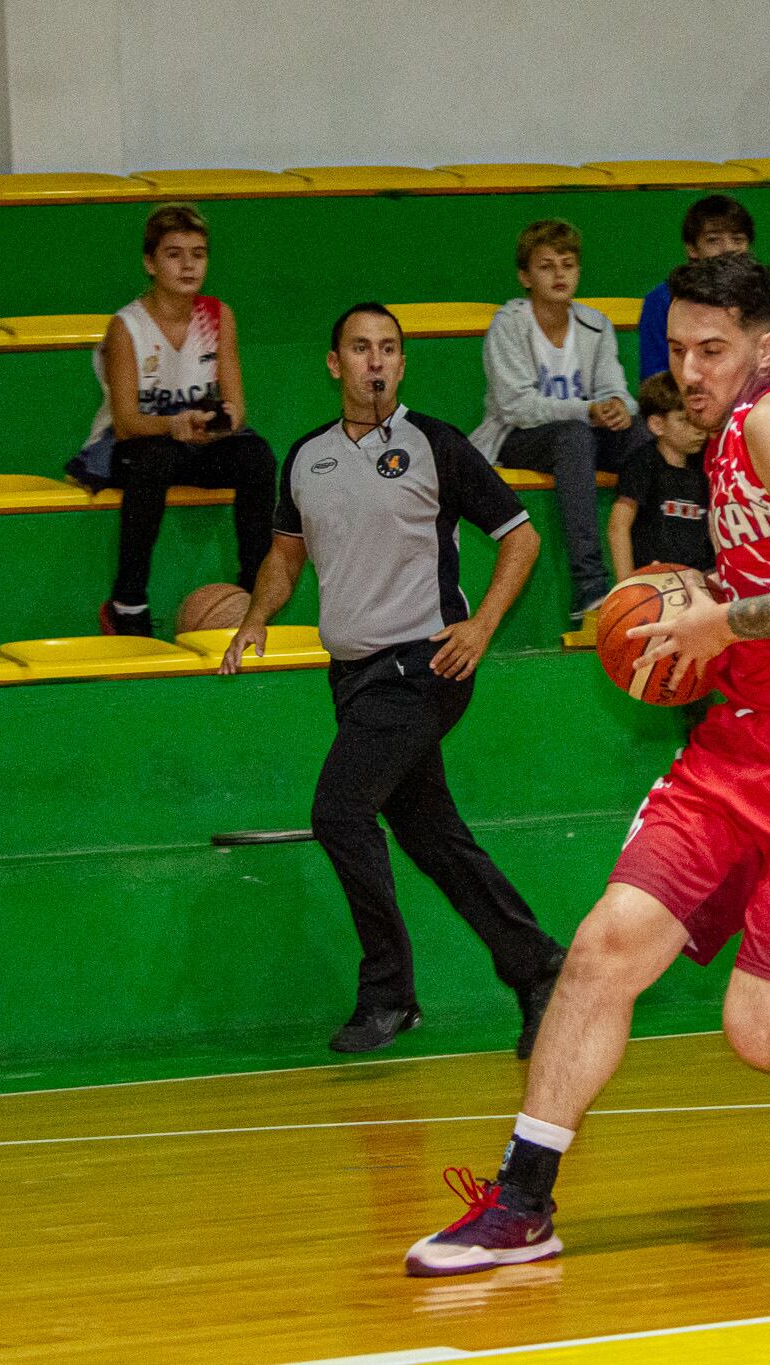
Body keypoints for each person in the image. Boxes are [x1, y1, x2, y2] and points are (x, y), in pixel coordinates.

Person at [404, 254, 770, 1277]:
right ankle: (522, 1201)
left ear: (763, 347)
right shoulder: (729, 434)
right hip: (745, 732)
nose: (691, 372)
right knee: (607, 945)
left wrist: (719, 616)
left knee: (764, 1035)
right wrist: (712, 600)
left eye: (713, 350)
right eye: (678, 352)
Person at [222, 303, 566, 1057]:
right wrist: (255, 616)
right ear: (334, 362)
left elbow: (522, 536)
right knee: (430, 832)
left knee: (341, 809)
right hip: (352, 677)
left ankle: (390, 992)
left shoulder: (435, 443)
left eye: (387, 349)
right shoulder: (306, 456)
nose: (374, 360)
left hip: (425, 664)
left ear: (401, 365)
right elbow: (285, 556)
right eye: (359, 347)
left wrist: (481, 628)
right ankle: (538, 964)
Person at [67, 203, 277, 638]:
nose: (188, 265)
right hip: (129, 447)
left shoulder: (219, 316)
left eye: (198, 254)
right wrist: (173, 425)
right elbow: (126, 423)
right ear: (150, 262)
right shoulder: (127, 327)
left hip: (193, 441)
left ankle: (253, 592)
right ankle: (128, 604)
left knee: (257, 456)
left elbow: (237, 408)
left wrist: (214, 424)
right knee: (154, 459)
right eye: (174, 254)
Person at [471, 219, 639, 627]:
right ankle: (591, 587)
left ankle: (653, 571)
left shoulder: (595, 324)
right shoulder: (509, 325)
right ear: (525, 277)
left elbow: (617, 389)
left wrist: (618, 405)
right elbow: (515, 406)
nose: (560, 274)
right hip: (516, 437)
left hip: (580, 432)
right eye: (546, 266)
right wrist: (586, 411)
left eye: (567, 264)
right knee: (574, 438)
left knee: (646, 437)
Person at [607, 371, 713, 579]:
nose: (699, 429)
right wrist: (626, 587)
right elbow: (618, 526)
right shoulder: (642, 463)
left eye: (699, 416)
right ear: (657, 425)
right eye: (685, 420)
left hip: (702, 579)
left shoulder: (708, 462)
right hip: (654, 579)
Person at [638, 196, 755, 382]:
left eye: (737, 239)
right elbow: (655, 382)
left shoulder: (761, 297)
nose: (728, 249)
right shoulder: (662, 301)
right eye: (713, 240)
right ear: (692, 248)